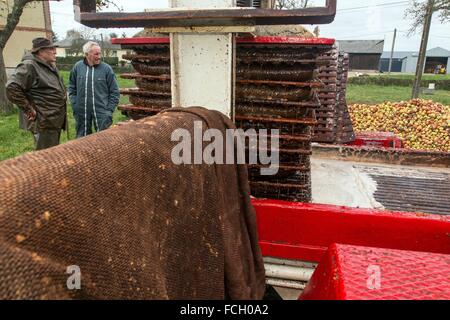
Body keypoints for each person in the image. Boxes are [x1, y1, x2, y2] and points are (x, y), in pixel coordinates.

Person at [6, 37, 67, 150]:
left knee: (52, 154)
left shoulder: (49, 65)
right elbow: (12, 87)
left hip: (53, 120)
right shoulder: (30, 65)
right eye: (51, 49)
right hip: (43, 122)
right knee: (45, 158)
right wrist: (28, 109)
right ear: (40, 51)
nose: (55, 51)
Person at [68, 41, 120, 138]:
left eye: (100, 53)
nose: (99, 56)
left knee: (103, 140)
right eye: (96, 54)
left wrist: (109, 111)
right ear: (87, 54)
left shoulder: (106, 69)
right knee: (82, 139)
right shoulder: (78, 67)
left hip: (102, 112)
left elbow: (115, 92)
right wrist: (75, 104)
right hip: (82, 111)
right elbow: (71, 87)